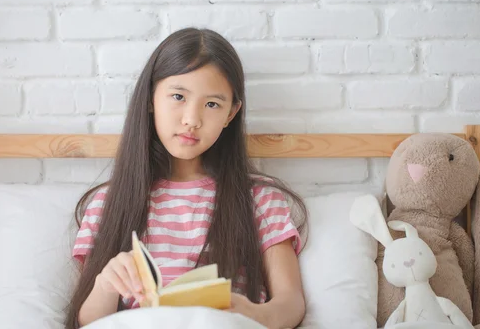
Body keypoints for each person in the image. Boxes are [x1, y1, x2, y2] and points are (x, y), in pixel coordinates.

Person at [65, 28, 309, 329]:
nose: (192, 119)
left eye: (212, 104)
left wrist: (253, 313)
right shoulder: (107, 204)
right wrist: (106, 285)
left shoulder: (259, 199)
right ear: (151, 98)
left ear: (231, 114)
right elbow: (89, 322)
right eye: (178, 96)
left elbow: (291, 302)